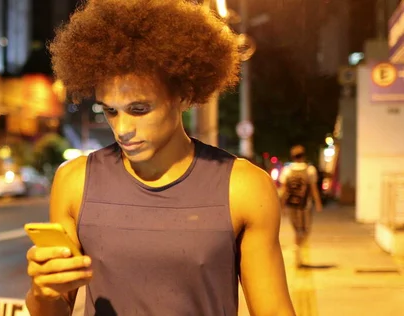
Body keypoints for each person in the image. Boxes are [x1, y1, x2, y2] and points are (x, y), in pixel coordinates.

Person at [25, 1, 295, 315]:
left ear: (182, 95)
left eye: (139, 109)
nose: (122, 129)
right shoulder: (74, 181)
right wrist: (43, 292)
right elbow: (55, 310)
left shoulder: (245, 187)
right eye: (110, 111)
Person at [278, 144, 323, 267]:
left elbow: (284, 190)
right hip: (305, 206)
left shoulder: (287, 171)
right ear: (304, 155)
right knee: (305, 230)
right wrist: (318, 203)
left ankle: (297, 250)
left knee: (297, 230)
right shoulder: (310, 170)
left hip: (291, 205)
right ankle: (298, 249)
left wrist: (281, 205)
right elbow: (313, 189)